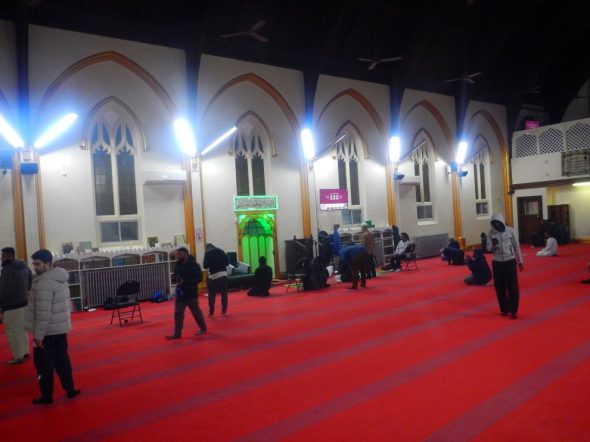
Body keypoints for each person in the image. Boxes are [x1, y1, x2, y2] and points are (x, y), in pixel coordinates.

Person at [25, 249, 80, 405]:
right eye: (34, 264)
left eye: (38, 264)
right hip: (60, 329)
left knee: (43, 366)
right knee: (62, 360)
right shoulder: (59, 276)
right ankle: (70, 389)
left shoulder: (44, 283)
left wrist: (38, 337)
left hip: (47, 332)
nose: (35, 267)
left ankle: (47, 396)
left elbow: (43, 313)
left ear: (48, 263)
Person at [487, 213, 524, 319]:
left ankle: (514, 310)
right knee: (499, 287)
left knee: (512, 287)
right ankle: (504, 309)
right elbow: (488, 248)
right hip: (497, 262)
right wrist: (492, 247)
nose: (496, 225)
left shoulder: (510, 230)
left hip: (510, 261)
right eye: (494, 223)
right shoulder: (491, 233)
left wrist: (520, 261)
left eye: (497, 223)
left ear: (501, 222)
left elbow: (516, 246)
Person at [0, 247, 32, 364]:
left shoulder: (7, 269)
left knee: (13, 332)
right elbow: (30, 282)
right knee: (22, 330)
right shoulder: (24, 267)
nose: (1, 258)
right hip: (24, 303)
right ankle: (24, 352)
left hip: (11, 305)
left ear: (8, 256)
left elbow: (3, 289)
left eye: (2, 256)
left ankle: (18, 356)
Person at [167, 247, 207, 339]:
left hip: (191, 293)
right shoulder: (177, 265)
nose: (177, 256)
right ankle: (177, 333)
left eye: (179, 254)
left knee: (196, 312)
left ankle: (203, 328)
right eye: (177, 254)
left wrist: (185, 280)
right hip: (180, 293)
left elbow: (199, 278)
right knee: (178, 313)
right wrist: (175, 279)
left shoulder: (194, 265)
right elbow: (174, 276)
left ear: (185, 254)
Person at [203, 243, 229, 316]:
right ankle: (224, 310)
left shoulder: (208, 253)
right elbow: (227, 263)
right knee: (224, 293)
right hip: (224, 274)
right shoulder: (221, 251)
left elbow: (205, 266)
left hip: (214, 275)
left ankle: (211, 311)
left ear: (207, 248)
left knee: (212, 294)